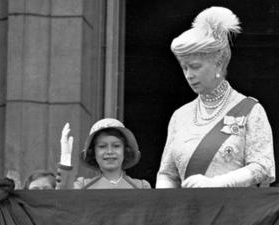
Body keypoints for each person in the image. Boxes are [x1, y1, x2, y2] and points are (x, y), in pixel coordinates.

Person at [156, 7, 275, 188]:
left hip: (233, 212)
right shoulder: (180, 116)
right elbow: (167, 174)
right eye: (184, 68)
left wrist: (218, 183)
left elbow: (263, 166)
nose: (189, 75)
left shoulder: (251, 110)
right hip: (188, 213)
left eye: (195, 66)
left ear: (219, 64)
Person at [56, 118, 151, 189]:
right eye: (102, 146)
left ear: (125, 151)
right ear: (93, 152)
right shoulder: (83, 186)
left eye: (116, 146)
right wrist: (65, 160)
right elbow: (64, 201)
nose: (109, 151)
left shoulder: (141, 187)